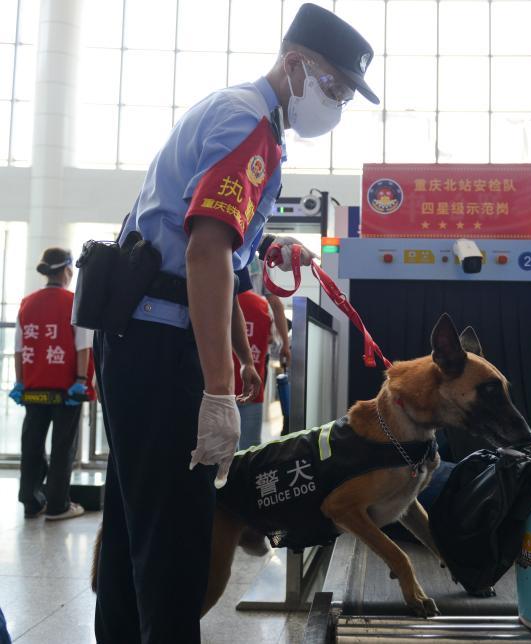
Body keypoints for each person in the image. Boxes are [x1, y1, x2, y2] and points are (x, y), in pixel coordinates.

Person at [90, 4, 379, 642]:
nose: (336, 105)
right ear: (295, 64)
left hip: (137, 339)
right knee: (176, 541)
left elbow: (204, 237)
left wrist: (265, 247)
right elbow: (204, 251)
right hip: (163, 346)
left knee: (135, 526)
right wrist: (220, 391)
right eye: (334, 87)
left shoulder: (233, 111)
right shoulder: (249, 123)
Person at [9, 248, 93, 521]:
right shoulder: (73, 302)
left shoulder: (27, 303)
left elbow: (19, 349)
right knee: (62, 447)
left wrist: (20, 383)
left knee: (32, 445)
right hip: (66, 389)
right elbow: (83, 346)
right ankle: (58, 505)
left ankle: (31, 502)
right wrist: (81, 381)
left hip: (34, 388)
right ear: (68, 270)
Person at [233, 279, 273, 450]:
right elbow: (271, 339)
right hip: (252, 388)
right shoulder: (263, 305)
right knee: (250, 450)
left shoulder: (216, 297)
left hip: (218, 388)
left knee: (219, 453)